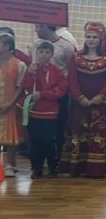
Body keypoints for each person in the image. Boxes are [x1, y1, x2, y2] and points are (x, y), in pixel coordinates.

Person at [60, 22, 106, 178]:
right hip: (79, 105)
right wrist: (80, 97)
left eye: (94, 37)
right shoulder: (76, 57)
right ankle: (77, 167)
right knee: (79, 133)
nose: (91, 40)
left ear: (101, 39)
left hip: (101, 106)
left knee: (98, 133)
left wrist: (98, 98)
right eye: (88, 37)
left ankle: (97, 169)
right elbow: (71, 81)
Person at [30, 24, 77, 155]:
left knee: (58, 128)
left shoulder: (67, 46)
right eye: (42, 52)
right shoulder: (35, 45)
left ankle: (56, 160)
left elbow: (72, 71)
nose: (36, 30)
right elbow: (31, 66)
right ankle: (38, 163)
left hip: (59, 95)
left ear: (47, 27)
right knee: (37, 131)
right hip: (37, 96)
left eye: (39, 27)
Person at [22, 40, 66, 178]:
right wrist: (30, 74)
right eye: (41, 52)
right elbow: (27, 87)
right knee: (35, 141)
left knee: (49, 141)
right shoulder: (32, 69)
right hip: (34, 112)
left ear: (52, 54)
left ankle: (53, 168)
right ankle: (37, 168)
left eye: (47, 52)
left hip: (50, 113)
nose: (44, 55)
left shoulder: (57, 72)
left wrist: (42, 94)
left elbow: (60, 91)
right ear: (37, 53)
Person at [0, 32, 26, 175]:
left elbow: (20, 87)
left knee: (11, 136)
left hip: (10, 106)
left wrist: (10, 103)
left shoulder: (19, 65)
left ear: (7, 46)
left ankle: (9, 164)